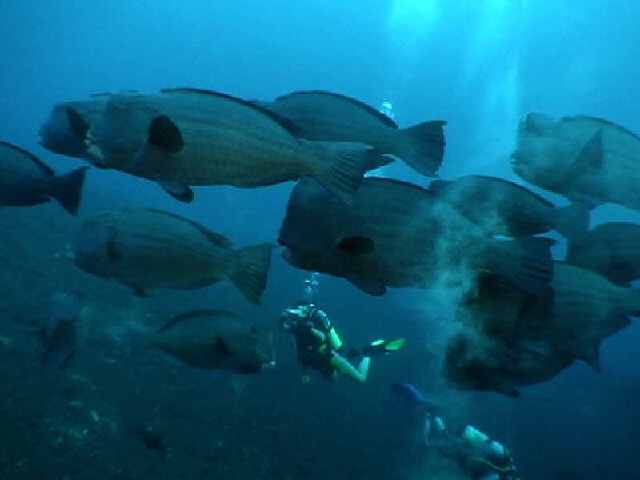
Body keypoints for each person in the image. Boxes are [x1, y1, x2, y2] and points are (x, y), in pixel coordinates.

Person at [280, 274, 405, 383]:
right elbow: (301, 354)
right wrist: (304, 372)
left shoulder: (305, 326)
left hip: (328, 355)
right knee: (344, 362)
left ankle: (370, 351)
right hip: (325, 356)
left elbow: (321, 338)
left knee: (360, 378)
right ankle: (364, 350)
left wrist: (308, 329)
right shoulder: (297, 331)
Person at [391, 383, 520, 480]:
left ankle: (424, 405)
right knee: (436, 439)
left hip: (474, 452)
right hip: (475, 451)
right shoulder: (497, 464)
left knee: (439, 439)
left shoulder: (498, 464)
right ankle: (422, 403)